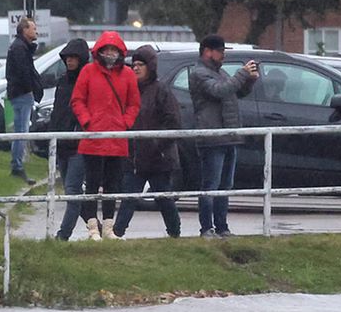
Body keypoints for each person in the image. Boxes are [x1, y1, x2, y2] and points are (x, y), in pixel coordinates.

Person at [70, 31, 140, 240]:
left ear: (120, 52)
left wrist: (125, 123)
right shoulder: (88, 72)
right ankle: (93, 228)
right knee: (91, 183)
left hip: (117, 137)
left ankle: (109, 228)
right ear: (99, 51)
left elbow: (134, 104)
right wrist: (87, 121)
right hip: (94, 136)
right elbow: (78, 100)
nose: (110, 53)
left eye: (114, 50)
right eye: (107, 49)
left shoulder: (127, 74)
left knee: (113, 183)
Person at [188, 34, 258, 238]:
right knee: (211, 185)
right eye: (221, 51)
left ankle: (222, 227)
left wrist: (249, 80)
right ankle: (206, 228)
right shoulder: (199, 74)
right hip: (212, 138)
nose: (223, 55)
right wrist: (241, 74)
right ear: (207, 51)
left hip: (228, 135)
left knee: (225, 186)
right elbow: (219, 91)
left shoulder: (221, 73)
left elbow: (235, 93)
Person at [113, 46, 183, 239]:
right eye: (134, 64)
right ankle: (117, 234)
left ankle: (175, 233)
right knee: (129, 198)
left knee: (163, 198)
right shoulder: (128, 90)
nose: (135, 68)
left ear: (150, 66)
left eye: (140, 64)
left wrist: (156, 145)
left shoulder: (162, 91)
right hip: (134, 156)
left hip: (157, 157)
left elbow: (174, 123)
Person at [50, 39, 94, 240]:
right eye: (67, 57)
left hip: (79, 143)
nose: (69, 61)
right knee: (73, 191)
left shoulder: (88, 82)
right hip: (61, 142)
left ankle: (63, 235)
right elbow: (57, 113)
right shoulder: (62, 82)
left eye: (73, 57)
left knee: (72, 190)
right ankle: (96, 228)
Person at [5, 16, 42, 184]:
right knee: (21, 131)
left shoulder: (20, 47)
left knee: (20, 130)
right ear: (25, 30)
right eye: (33, 28)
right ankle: (17, 165)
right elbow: (24, 72)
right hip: (22, 94)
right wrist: (30, 88)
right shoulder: (20, 48)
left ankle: (17, 163)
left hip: (18, 93)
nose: (36, 31)